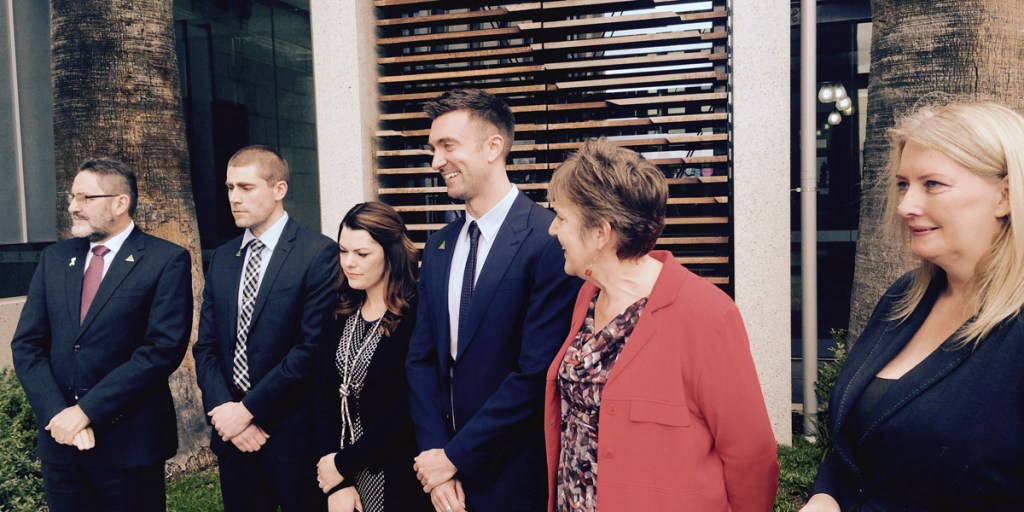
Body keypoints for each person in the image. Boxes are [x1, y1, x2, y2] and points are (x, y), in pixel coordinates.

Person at [803, 101, 1024, 511]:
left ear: (1005, 197)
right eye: (904, 184)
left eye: (933, 184)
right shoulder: (904, 299)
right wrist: (826, 496)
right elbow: (861, 443)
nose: (905, 206)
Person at [544, 139, 779, 511]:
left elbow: (751, 455)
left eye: (561, 217)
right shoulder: (588, 296)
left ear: (601, 232)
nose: (552, 230)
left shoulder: (706, 314)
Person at [406, 88, 582, 512]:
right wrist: (436, 458)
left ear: (493, 147)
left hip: (513, 474)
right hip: (440, 477)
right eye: (433, 148)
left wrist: (455, 457)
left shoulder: (549, 239)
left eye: (447, 145)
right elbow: (422, 360)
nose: (435, 162)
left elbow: (535, 372)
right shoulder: (438, 247)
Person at [11, 157, 192, 511]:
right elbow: (28, 345)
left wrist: (87, 411)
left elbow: (161, 350)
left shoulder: (165, 260)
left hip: (129, 445)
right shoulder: (54, 258)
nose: (73, 207)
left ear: (120, 202)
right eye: (72, 197)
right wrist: (58, 414)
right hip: (61, 444)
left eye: (85, 198)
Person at [193, 145, 339, 512]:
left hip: (290, 435)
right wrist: (228, 413)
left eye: (246, 187)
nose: (234, 198)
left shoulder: (318, 253)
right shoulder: (224, 257)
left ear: (279, 189)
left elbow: (310, 349)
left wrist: (248, 411)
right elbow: (206, 348)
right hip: (232, 436)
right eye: (229, 188)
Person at [313, 201, 432, 512]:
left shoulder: (415, 314)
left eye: (362, 254)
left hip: (393, 471)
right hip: (339, 471)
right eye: (343, 251)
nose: (349, 262)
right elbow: (322, 394)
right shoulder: (338, 310)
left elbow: (407, 408)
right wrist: (337, 477)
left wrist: (344, 463)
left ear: (390, 254)